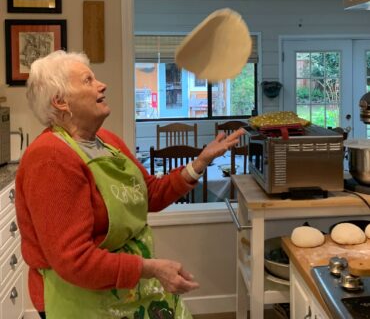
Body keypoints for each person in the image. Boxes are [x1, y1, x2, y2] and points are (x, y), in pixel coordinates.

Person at [15, 50, 245, 319]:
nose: (102, 85)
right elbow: (73, 260)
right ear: (60, 102)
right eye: (88, 81)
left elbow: (150, 194)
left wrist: (200, 162)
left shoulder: (107, 141)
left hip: (126, 290)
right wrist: (150, 268)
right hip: (78, 299)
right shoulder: (50, 158)